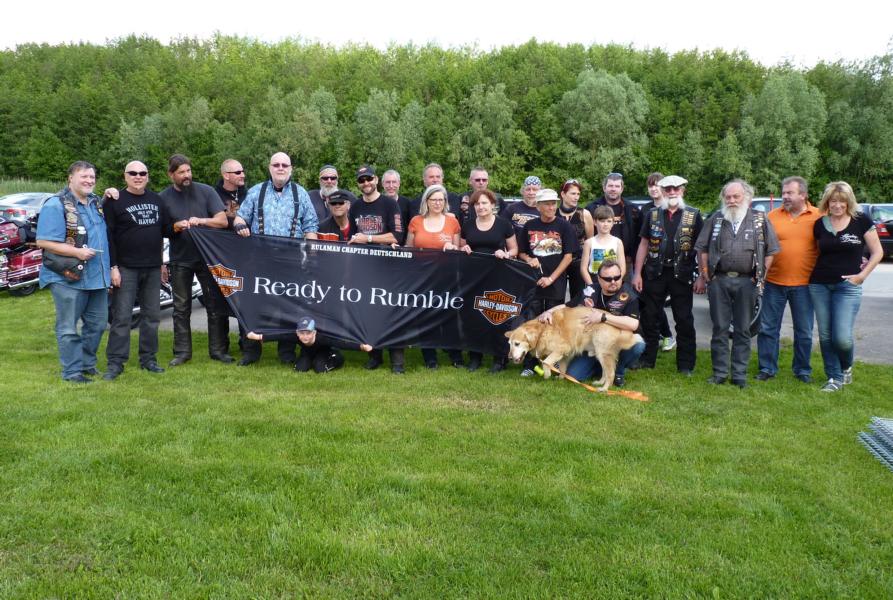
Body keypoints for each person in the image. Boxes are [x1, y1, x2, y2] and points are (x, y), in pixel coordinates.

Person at [233, 151, 319, 366]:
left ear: (291, 169)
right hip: (260, 258)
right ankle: (251, 351)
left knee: (288, 307)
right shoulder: (256, 191)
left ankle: (286, 352)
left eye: (284, 165)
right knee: (252, 304)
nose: (280, 168)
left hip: (291, 260)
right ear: (270, 168)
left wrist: (312, 253)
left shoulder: (301, 193)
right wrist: (240, 225)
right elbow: (240, 217)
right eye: (276, 164)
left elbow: (311, 226)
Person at [695, 179, 780, 388]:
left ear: (747, 198)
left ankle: (739, 374)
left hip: (747, 281)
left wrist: (760, 276)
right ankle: (719, 373)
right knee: (720, 328)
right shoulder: (716, 218)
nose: (731, 200)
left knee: (743, 329)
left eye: (736, 196)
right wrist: (706, 274)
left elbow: (771, 251)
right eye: (728, 197)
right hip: (719, 280)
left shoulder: (760, 220)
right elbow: (702, 248)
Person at [36, 161, 111, 383]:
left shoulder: (96, 203)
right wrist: (76, 252)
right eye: (84, 176)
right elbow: (43, 241)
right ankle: (72, 372)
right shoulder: (55, 204)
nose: (89, 180)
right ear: (71, 178)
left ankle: (87, 364)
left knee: (97, 325)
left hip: (97, 276)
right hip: (67, 277)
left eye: (92, 177)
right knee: (68, 327)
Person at [808, 181, 883, 392]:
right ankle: (834, 377)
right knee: (825, 335)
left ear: (849, 202)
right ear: (827, 202)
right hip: (819, 284)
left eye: (842, 201)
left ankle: (846, 366)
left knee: (841, 337)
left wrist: (861, 276)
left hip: (848, 287)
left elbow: (877, 252)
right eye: (833, 201)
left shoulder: (861, 221)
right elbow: (817, 252)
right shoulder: (819, 224)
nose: (837, 205)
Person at [160, 154, 232, 367]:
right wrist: (175, 227)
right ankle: (182, 352)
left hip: (208, 257)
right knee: (181, 308)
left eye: (188, 170)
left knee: (215, 304)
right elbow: (160, 230)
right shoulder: (163, 197)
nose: (186, 175)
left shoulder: (206, 191)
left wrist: (202, 221)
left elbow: (222, 221)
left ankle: (219, 350)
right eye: (181, 172)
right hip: (180, 258)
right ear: (171, 174)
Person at [632, 175, 703, 375]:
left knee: (684, 319)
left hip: (682, 274)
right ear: (662, 191)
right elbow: (644, 244)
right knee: (650, 317)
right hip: (655, 272)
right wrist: (637, 273)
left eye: (676, 188)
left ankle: (685, 364)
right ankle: (647, 359)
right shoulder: (652, 214)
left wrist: (702, 276)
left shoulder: (694, 215)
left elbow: (701, 248)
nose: (672, 192)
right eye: (668, 189)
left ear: (682, 190)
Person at [103, 160, 166, 380]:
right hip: (126, 268)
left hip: (152, 267)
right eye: (133, 173)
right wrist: (113, 267)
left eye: (142, 173)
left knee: (152, 316)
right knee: (122, 317)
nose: (138, 176)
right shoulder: (114, 200)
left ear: (148, 176)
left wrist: (162, 262)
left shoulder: (157, 200)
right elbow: (109, 237)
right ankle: (115, 363)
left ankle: (148, 359)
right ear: (125, 176)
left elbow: (164, 231)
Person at [538, 259, 645, 387]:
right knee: (573, 375)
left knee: (638, 345)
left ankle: (618, 372)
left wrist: (603, 317)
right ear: (599, 279)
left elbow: (633, 324)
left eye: (617, 277)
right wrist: (549, 312)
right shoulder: (590, 291)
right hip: (591, 343)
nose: (613, 281)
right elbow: (567, 306)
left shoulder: (629, 295)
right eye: (608, 279)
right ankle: (602, 366)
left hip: (618, 340)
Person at [756, 176, 821, 383]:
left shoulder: (819, 216)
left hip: (805, 284)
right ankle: (767, 368)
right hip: (773, 282)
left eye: (790, 193)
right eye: (783, 192)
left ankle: (802, 370)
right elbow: (761, 247)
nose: (785, 196)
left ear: (803, 195)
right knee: (768, 329)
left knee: (804, 331)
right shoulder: (772, 216)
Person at [348, 165, 405, 373]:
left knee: (392, 312)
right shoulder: (355, 207)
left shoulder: (390, 204)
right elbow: (353, 236)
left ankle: (397, 361)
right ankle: (374, 356)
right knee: (369, 312)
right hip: (364, 267)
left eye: (369, 179)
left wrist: (369, 238)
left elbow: (397, 236)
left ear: (376, 179)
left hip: (388, 267)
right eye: (361, 180)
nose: (366, 183)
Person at [517, 188, 578, 376]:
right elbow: (521, 252)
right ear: (538, 206)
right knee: (532, 322)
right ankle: (529, 364)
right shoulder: (529, 226)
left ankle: (553, 362)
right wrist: (529, 259)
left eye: (553, 203)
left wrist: (552, 278)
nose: (551, 207)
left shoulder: (564, 226)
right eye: (547, 204)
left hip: (556, 283)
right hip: (533, 283)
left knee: (554, 324)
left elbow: (568, 256)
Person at [460, 188, 518, 372]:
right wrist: (464, 249)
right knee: (474, 317)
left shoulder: (504, 224)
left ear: (493, 204)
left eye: (484, 203)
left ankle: (499, 359)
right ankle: (475, 357)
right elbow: (462, 247)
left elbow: (514, 249)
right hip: (473, 278)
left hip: (498, 276)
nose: (480, 207)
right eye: (477, 204)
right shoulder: (468, 225)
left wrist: (506, 253)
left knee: (497, 317)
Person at [406, 184, 463, 368]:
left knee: (449, 315)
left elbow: (458, 250)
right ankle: (430, 357)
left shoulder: (452, 222)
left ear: (445, 202)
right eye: (434, 199)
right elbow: (409, 248)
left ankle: (455, 356)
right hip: (421, 276)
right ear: (427, 201)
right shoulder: (416, 221)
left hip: (446, 276)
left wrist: (453, 247)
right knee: (424, 316)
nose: (438, 203)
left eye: (441, 200)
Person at [246, 316, 374, 373]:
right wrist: (258, 337)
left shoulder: (323, 338)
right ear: (297, 333)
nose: (305, 336)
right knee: (300, 369)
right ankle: (310, 361)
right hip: (307, 353)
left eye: (308, 333)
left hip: (324, 352)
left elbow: (342, 343)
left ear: (314, 333)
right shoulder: (296, 336)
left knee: (320, 369)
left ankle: (337, 358)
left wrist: (362, 347)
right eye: (302, 333)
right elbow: (280, 336)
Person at [642, 172, 676, 352]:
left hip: (668, 266)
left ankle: (668, 335)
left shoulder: (672, 207)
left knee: (658, 303)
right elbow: (642, 240)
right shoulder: (645, 209)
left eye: (657, 185)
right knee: (648, 302)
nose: (654, 188)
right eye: (651, 185)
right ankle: (652, 337)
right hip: (647, 264)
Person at [586, 172, 640, 277]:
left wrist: (632, 255)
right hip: (598, 260)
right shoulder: (592, 209)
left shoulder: (632, 209)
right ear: (604, 188)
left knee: (623, 287)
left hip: (626, 261)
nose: (613, 189)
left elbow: (639, 236)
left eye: (617, 186)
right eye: (610, 186)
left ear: (622, 189)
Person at [557, 179, 594, 298]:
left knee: (578, 298)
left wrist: (587, 263)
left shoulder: (585, 214)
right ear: (563, 194)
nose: (576, 197)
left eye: (578, 194)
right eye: (573, 193)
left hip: (579, 262)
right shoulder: (554, 214)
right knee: (557, 296)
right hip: (558, 261)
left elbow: (590, 241)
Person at [581, 205, 625, 284]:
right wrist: (591, 285)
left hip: (613, 279)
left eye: (609, 221)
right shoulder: (589, 243)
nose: (605, 224)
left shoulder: (618, 242)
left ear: (613, 223)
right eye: (602, 221)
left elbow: (622, 267)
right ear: (595, 222)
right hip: (594, 279)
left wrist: (616, 281)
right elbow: (583, 268)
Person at [214, 158, 247, 228]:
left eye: (243, 171)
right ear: (226, 176)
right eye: (238, 172)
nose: (243, 175)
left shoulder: (249, 195)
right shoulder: (214, 195)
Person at [381, 169, 411, 243]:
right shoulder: (376, 203)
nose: (391, 186)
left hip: (402, 247)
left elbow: (411, 229)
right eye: (388, 182)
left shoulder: (408, 204)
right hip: (380, 246)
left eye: (394, 182)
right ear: (382, 184)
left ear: (399, 184)